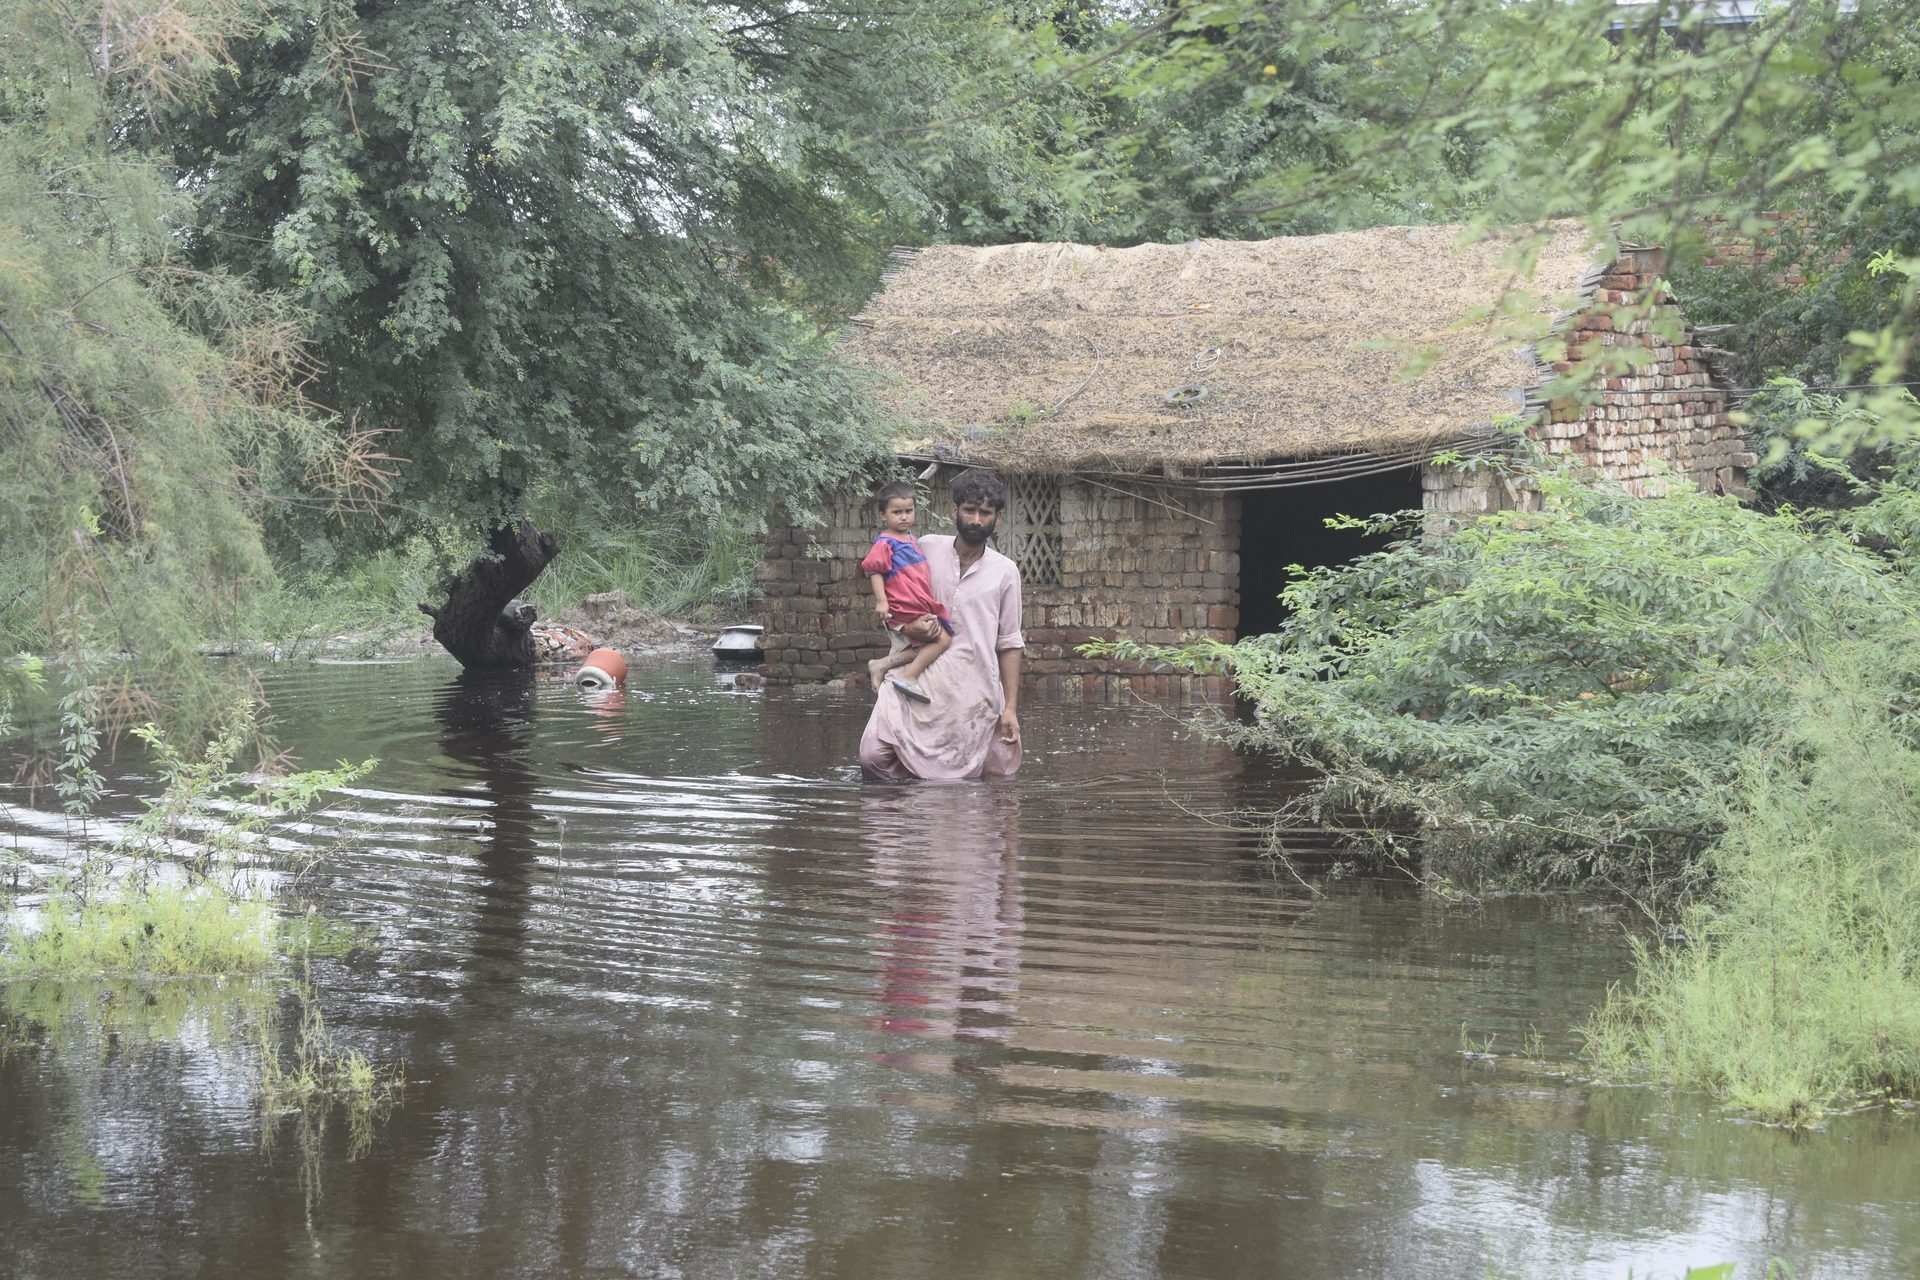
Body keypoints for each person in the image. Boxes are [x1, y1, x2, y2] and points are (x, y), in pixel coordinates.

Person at [859, 469, 1024, 781]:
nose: (976, 520)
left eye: (985, 513)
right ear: (955, 512)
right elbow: (894, 598)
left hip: (973, 690)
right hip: (918, 679)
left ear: (997, 519)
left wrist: (1011, 708)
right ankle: (903, 826)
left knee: (985, 776)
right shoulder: (925, 547)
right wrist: (908, 628)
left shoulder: (1005, 572)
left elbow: (1010, 643)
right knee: (873, 757)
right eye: (970, 510)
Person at [859, 481, 954, 702]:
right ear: (883, 515)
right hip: (904, 607)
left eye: (908, 511)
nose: (904, 517)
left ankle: (880, 665)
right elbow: (874, 570)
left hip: (918, 605)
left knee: (935, 641)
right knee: (942, 640)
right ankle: (908, 676)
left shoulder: (912, 540)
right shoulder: (885, 543)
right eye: (897, 512)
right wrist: (882, 601)